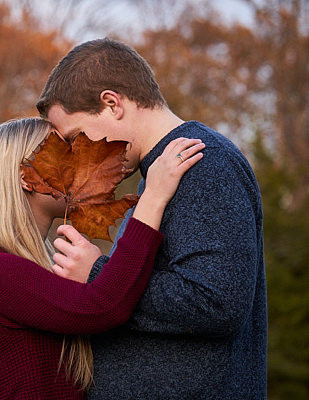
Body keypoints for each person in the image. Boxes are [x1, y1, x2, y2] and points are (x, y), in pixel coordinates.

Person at [36, 37, 266, 399]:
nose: (77, 155)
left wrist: (97, 275)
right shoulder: (158, 175)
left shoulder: (202, 163)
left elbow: (217, 301)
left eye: (75, 136)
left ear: (112, 104)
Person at [0, 117, 204, 399]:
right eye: (64, 151)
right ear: (26, 177)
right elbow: (104, 306)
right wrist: (153, 198)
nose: (79, 161)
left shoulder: (32, 268)